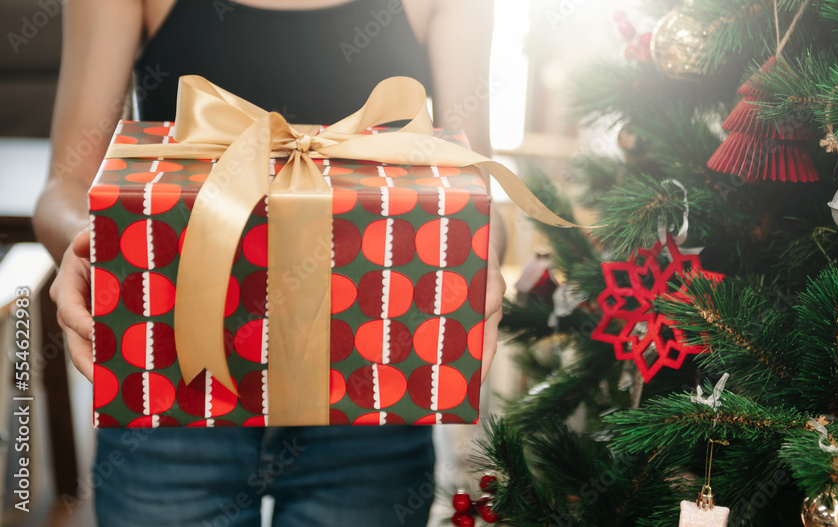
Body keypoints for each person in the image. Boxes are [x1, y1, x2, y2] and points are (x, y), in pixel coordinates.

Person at [33, 1, 503, 525]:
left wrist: (482, 261)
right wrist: (91, 243)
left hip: (375, 392)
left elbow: (474, 181)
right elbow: (66, 185)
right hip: (169, 386)